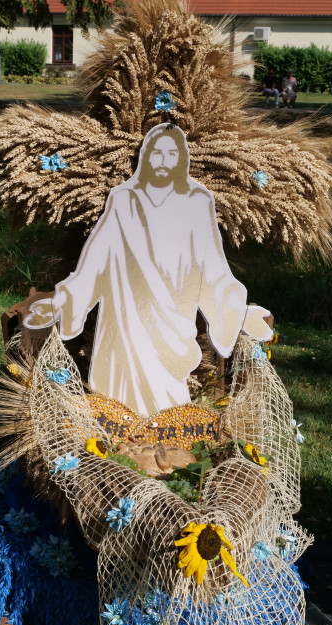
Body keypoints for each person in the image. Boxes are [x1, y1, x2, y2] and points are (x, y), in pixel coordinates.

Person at [24, 124, 272, 417]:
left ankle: (164, 442)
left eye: (171, 154)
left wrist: (239, 311)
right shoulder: (124, 200)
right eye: (156, 153)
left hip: (173, 320)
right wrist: (61, 302)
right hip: (127, 319)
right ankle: (115, 443)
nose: (164, 161)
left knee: (167, 410)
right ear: (145, 157)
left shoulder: (197, 202)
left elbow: (212, 266)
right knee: (117, 406)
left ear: (181, 159)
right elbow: (95, 263)